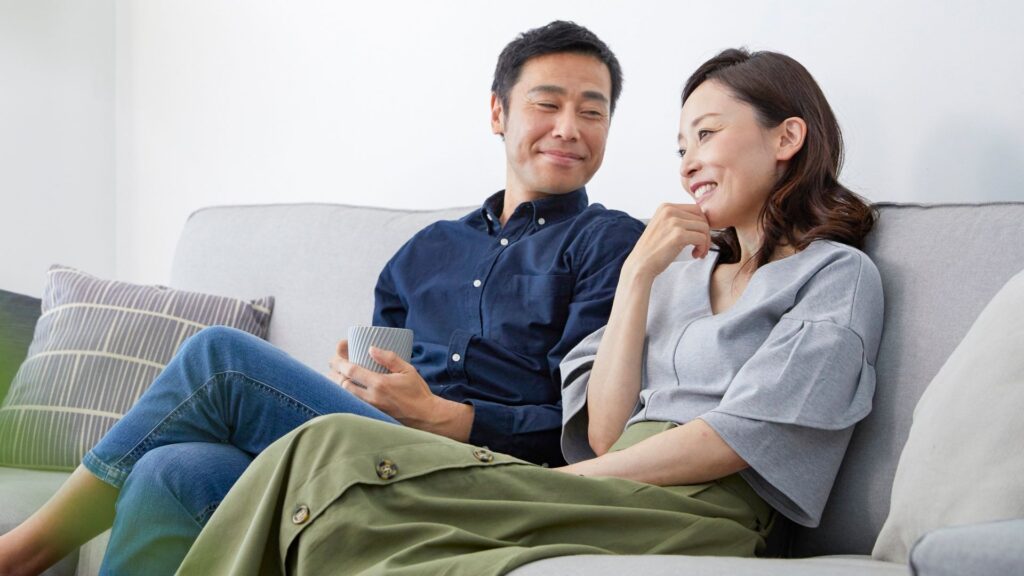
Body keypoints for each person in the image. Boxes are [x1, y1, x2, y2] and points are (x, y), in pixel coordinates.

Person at [175, 47, 884, 576]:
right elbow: (606, 435)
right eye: (679, 145)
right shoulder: (674, 273)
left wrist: (555, 481)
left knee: (328, 447)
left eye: (705, 134)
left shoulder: (835, 277)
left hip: (701, 510)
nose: (688, 161)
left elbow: (736, 440)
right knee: (334, 500)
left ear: (786, 139)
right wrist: (638, 275)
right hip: (615, 480)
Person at [0, 21, 645, 576]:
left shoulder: (611, 243)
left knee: (219, 357)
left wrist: (452, 418)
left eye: (592, 111)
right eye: (548, 104)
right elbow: (382, 376)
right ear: (499, 113)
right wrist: (364, 385)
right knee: (172, 469)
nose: (569, 129)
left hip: (486, 473)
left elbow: (587, 426)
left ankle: (23, 554)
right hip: (375, 451)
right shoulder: (426, 250)